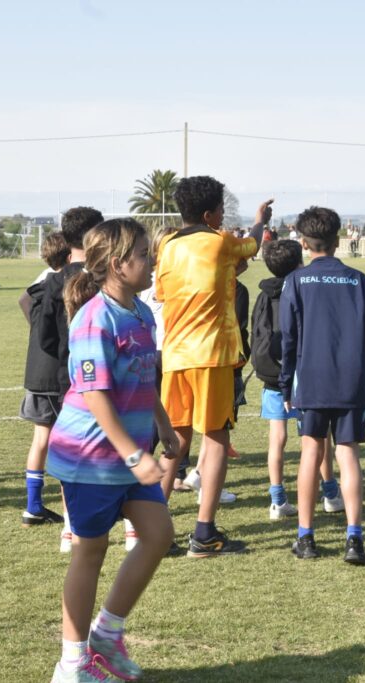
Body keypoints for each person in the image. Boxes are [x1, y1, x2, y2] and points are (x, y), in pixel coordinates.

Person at [47, 218, 178, 683]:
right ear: (119, 265)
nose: (152, 260)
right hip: (91, 458)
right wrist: (134, 456)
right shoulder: (93, 319)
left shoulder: (141, 312)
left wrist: (163, 425)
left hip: (127, 456)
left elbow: (144, 375)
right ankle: (72, 666)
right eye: (144, 254)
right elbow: (96, 395)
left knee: (158, 533)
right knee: (92, 550)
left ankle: (106, 634)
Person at [155, 175, 270, 558]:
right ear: (209, 214)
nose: (223, 216)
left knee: (175, 439)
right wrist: (260, 219)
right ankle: (204, 533)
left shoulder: (167, 246)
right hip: (212, 354)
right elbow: (252, 245)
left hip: (175, 356)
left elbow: (165, 292)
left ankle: (152, 527)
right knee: (216, 437)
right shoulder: (219, 241)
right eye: (221, 210)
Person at [280, 207, 365, 565]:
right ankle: (354, 539)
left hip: (311, 380)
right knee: (347, 454)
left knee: (311, 452)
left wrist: (286, 386)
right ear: (339, 240)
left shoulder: (295, 281)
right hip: (351, 380)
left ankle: (305, 537)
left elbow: (288, 339)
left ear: (303, 242)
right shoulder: (360, 281)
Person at [37, 207, 105, 551]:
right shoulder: (105, 278)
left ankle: (69, 526)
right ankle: (129, 529)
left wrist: (66, 356)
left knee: (75, 453)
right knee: (113, 446)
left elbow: (44, 337)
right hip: (106, 376)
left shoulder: (53, 281)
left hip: (69, 378)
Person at [18, 231, 71, 528]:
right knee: (66, 441)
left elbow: (23, 300)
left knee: (41, 439)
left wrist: (37, 330)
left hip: (35, 369)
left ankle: (33, 506)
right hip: (54, 371)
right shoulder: (67, 282)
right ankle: (71, 512)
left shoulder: (43, 278)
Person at [250, 239, 305, 520]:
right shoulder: (302, 290)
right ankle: (330, 492)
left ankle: (277, 499)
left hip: (272, 373)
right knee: (314, 438)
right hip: (301, 375)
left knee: (277, 439)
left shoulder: (264, 294)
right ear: (299, 263)